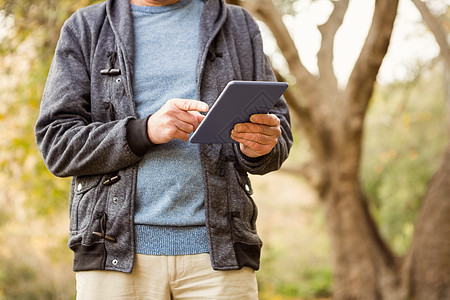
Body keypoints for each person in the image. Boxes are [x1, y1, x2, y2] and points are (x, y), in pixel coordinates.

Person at [35, 0, 292, 298]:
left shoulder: (238, 24)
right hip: (114, 257)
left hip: (221, 258)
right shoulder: (85, 27)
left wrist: (258, 146)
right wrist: (144, 131)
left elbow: (278, 132)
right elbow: (57, 143)